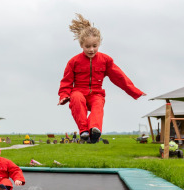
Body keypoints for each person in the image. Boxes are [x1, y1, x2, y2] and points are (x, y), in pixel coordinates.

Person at [58, 14, 146, 144]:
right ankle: (84, 131)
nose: (91, 49)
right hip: (79, 91)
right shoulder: (74, 62)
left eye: (95, 46)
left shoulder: (106, 60)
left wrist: (134, 91)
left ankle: (95, 130)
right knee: (76, 98)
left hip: (96, 92)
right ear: (81, 45)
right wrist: (64, 96)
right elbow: (66, 81)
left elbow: (119, 77)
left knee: (98, 105)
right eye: (88, 46)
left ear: (99, 43)